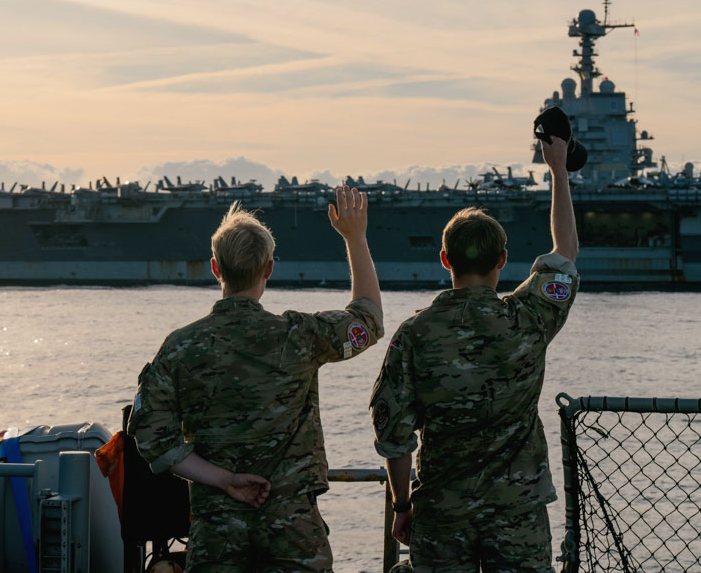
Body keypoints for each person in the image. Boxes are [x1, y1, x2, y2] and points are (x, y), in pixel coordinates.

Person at [129, 187, 383, 571]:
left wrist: (224, 479)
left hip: (217, 535)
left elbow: (150, 435)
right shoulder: (300, 336)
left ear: (215, 269)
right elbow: (368, 321)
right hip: (294, 536)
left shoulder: (180, 347)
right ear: (269, 269)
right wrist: (356, 237)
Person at [369, 135, 580, 572]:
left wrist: (402, 504)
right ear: (503, 259)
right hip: (518, 511)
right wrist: (558, 171)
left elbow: (395, 437)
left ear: (444, 259)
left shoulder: (414, 335)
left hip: (443, 513)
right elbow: (565, 253)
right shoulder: (530, 317)